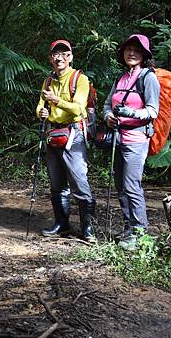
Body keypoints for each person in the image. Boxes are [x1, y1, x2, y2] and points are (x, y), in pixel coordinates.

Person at [36, 39, 96, 242]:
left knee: (79, 181)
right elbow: (39, 108)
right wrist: (42, 112)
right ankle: (62, 224)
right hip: (53, 134)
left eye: (64, 54)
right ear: (50, 58)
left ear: (70, 57)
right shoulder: (48, 80)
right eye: (55, 54)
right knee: (57, 183)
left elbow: (79, 108)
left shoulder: (80, 79)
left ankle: (87, 229)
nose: (59, 57)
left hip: (74, 135)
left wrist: (56, 101)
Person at [103, 34, 160, 250]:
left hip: (136, 139)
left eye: (137, 50)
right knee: (120, 186)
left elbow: (153, 111)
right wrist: (108, 116)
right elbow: (108, 104)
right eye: (128, 49)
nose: (132, 53)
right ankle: (128, 227)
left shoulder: (148, 78)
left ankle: (139, 232)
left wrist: (131, 112)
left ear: (144, 55)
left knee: (131, 185)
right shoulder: (121, 77)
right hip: (118, 138)